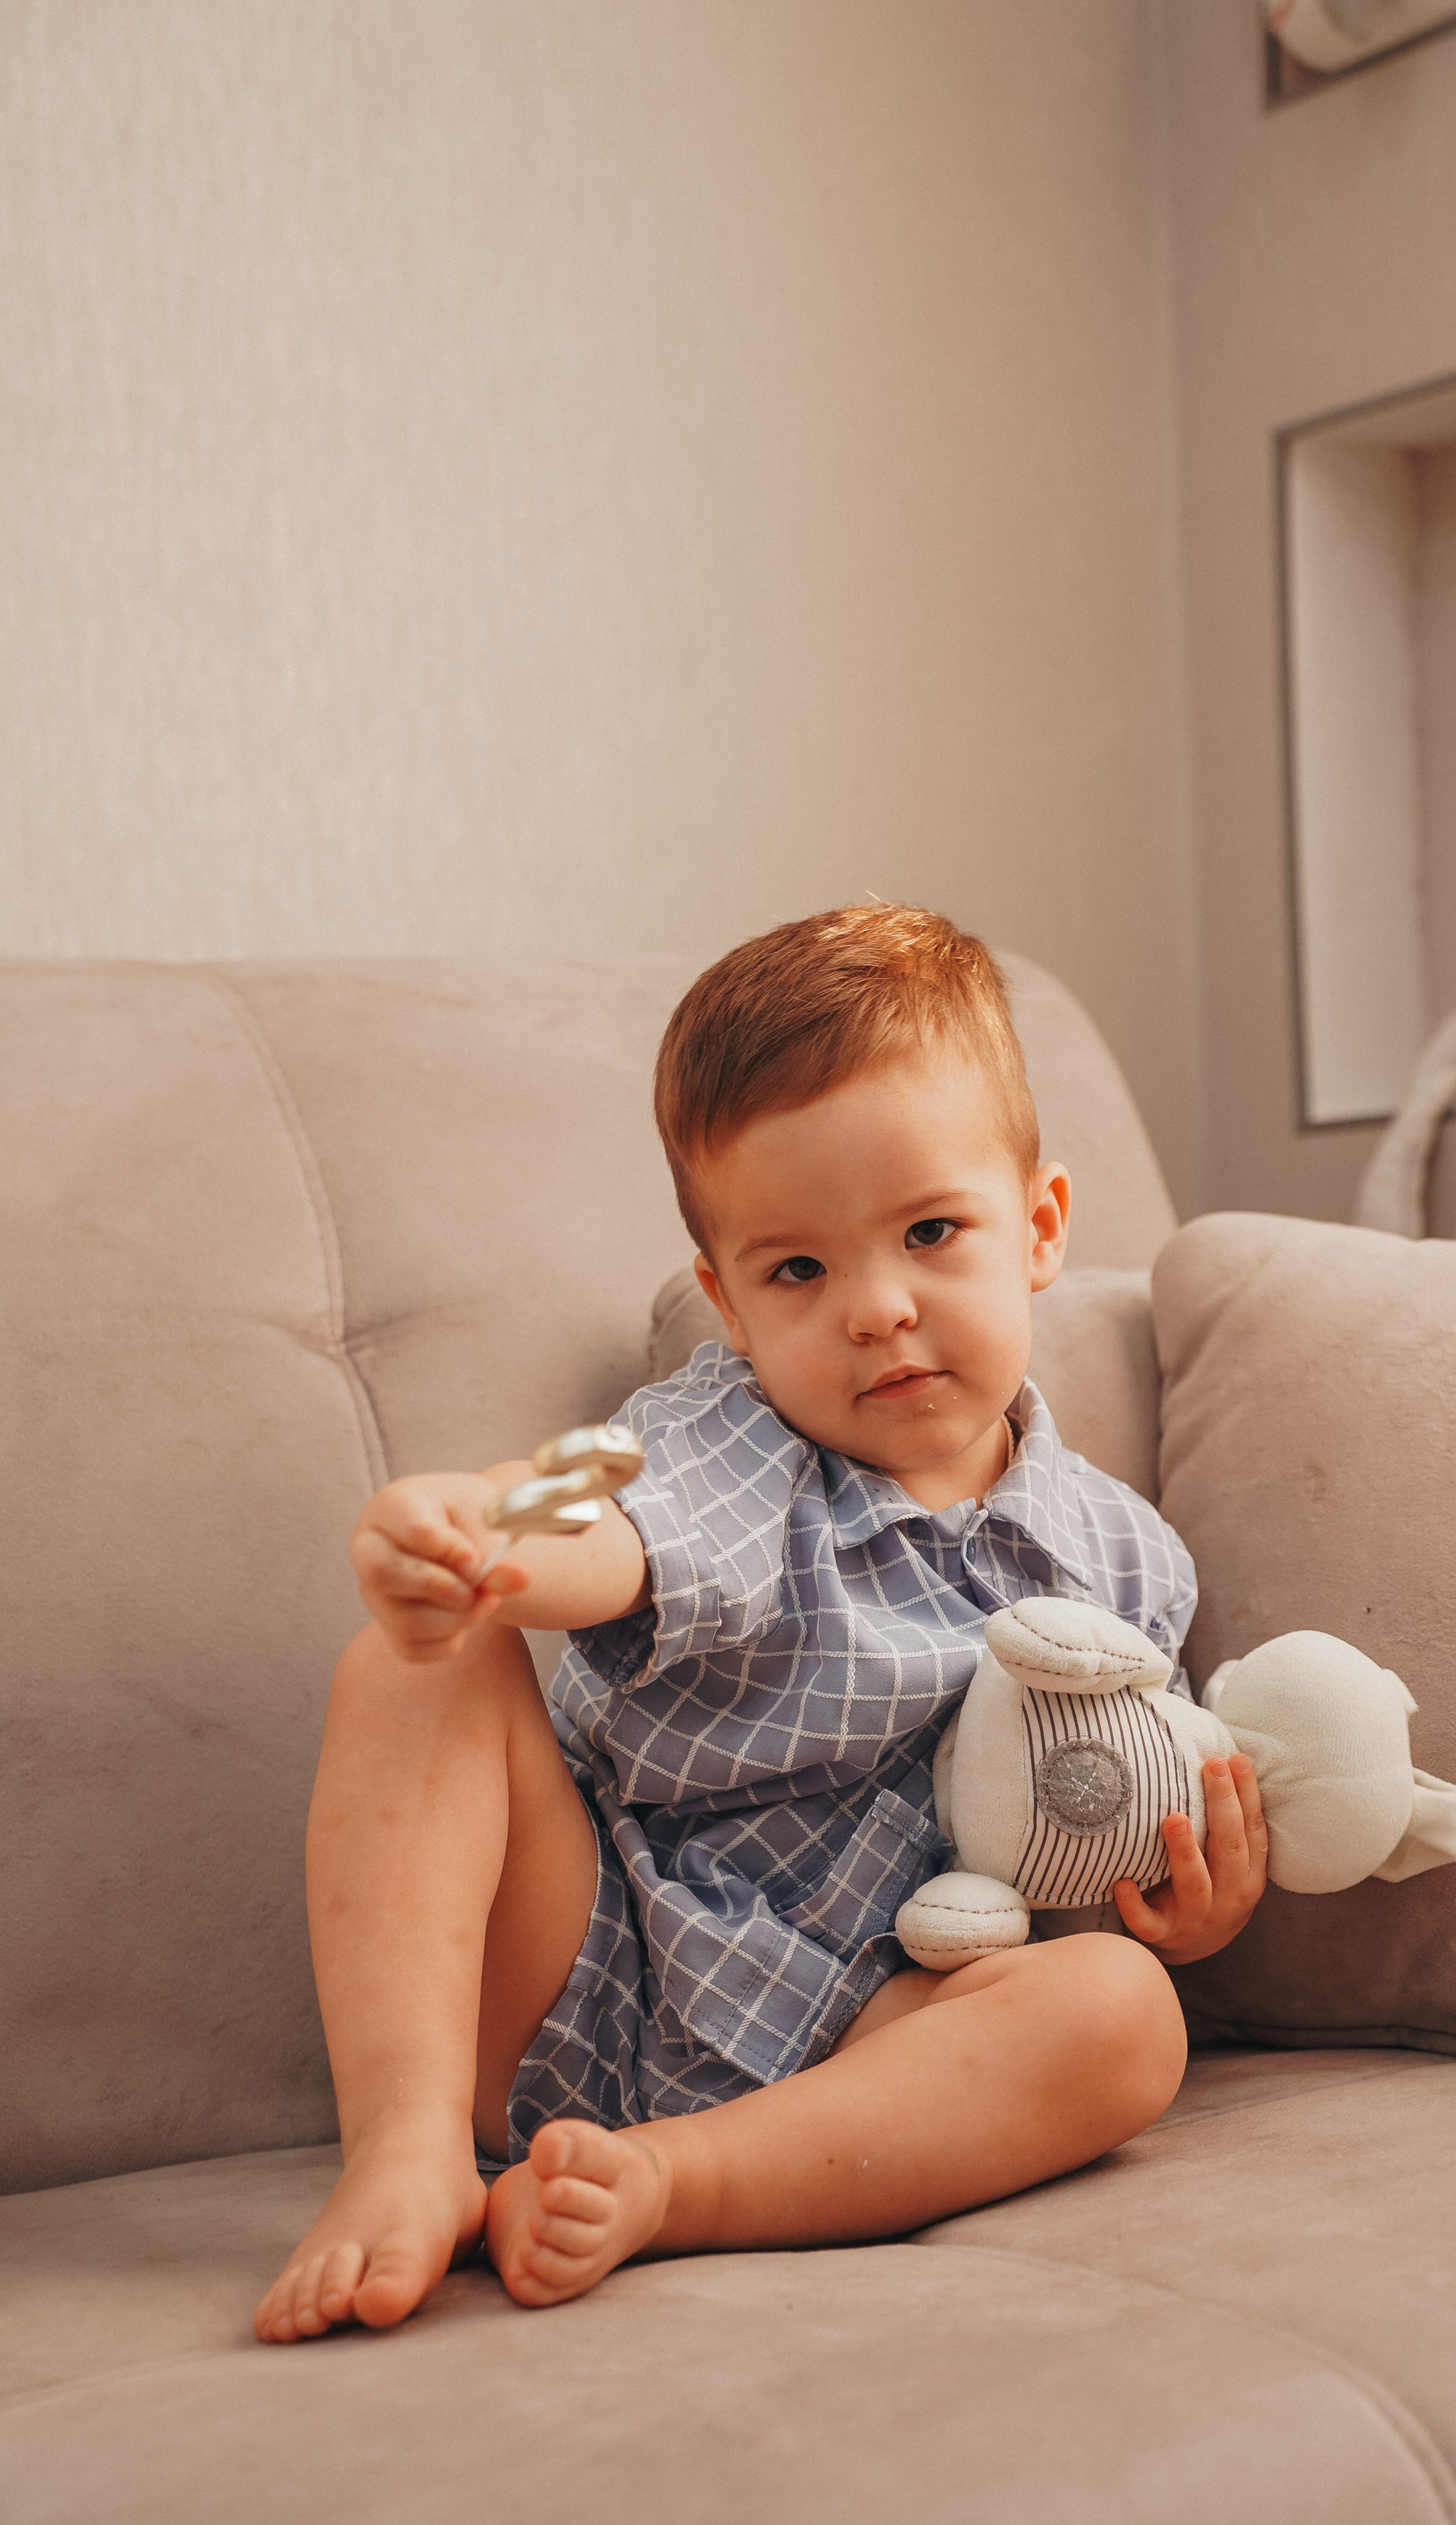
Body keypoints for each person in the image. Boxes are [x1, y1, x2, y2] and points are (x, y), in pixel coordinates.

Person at [255, 906, 1268, 2343]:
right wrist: (476, 1533)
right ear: (727, 1303)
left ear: (1039, 1228)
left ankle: (671, 2184)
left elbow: (1094, 1824)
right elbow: (603, 1529)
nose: (876, 1309)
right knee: (416, 1664)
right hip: (586, 1965)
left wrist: (1186, 1909)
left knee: (1119, 2013)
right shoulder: (734, 1445)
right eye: (799, 1271)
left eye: (929, 1234)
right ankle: (408, 2149)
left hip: (875, 2045)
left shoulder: (1126, 1562)